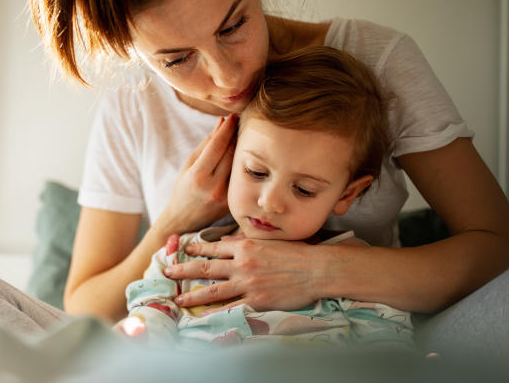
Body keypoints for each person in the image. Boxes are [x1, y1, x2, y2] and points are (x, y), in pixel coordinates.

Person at [0, 0, 509, 357]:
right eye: (175, 58)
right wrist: (173, 222)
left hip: (356, 346)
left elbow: (504, 251)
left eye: (233, 24)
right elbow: (85, 307)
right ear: (130, 49)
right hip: (184, 354)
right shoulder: (131, 114)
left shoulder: (377, 59)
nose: (224, 76)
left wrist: (318, 274)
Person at [116, 45, 414, 351]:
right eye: (256, 172)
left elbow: (387, 348)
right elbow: (148, 316)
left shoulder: (354, 269)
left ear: (348, 193)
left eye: (304, 190)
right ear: (230, 153)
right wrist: (137, 339)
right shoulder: (180, 258)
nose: (270, 202)